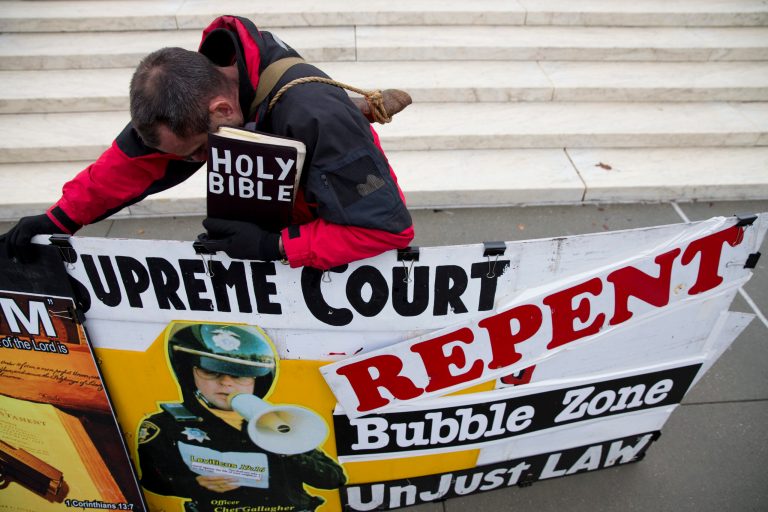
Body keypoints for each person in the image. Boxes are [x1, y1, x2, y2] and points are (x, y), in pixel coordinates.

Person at [1, 15, 414, 269]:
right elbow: (134, 162)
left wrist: (275, 246)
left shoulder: (318, 116)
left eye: (201, 150)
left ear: (221, 110)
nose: (203, 161)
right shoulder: (190, 92)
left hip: (338, 242)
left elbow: (384, 231)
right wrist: (60, 219)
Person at [137, 322, 346, 512]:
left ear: (257, 381)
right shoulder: (165, 425)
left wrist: (289, 450)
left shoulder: (278, 421)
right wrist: (195, 485)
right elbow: (152, 480)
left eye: (239, 375)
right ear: (189, 374)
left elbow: (333, 478)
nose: (226, 383)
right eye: (211, 372)